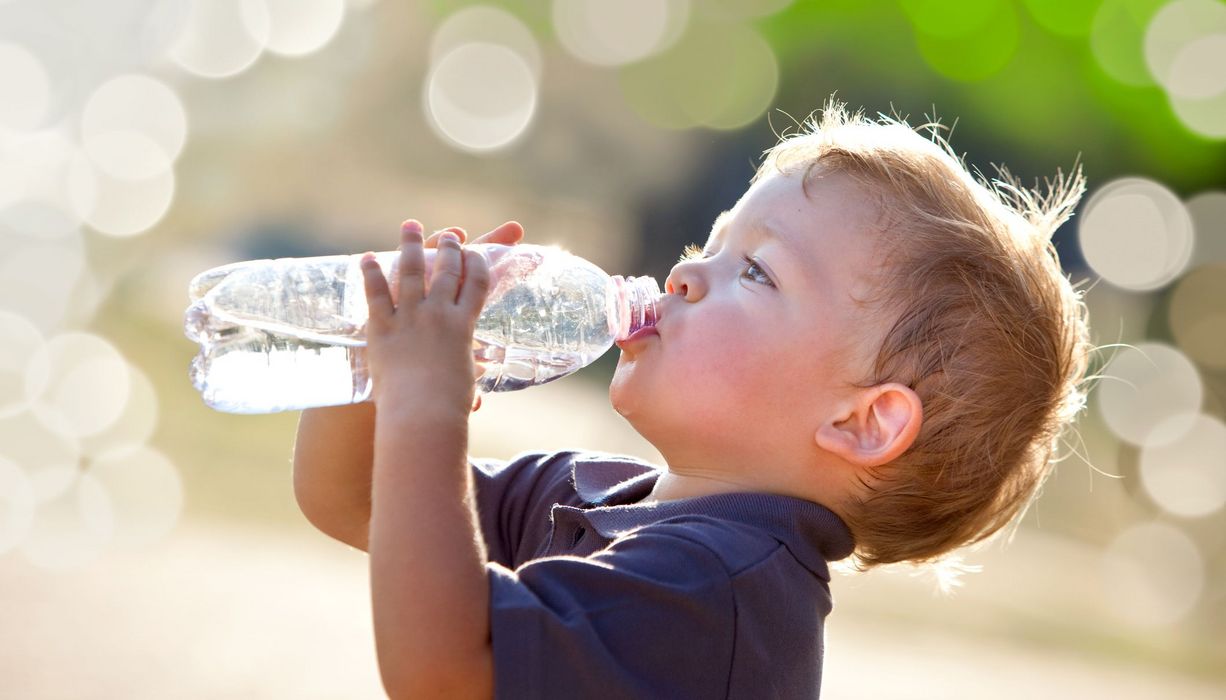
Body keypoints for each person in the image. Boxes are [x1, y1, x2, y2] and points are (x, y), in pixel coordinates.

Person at [291, 100, 1093, 699]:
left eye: (755, 271)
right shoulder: (594, 493)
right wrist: (373, 361)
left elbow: (442, 671)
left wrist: (425, 406)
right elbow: (355, 497)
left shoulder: (720, 588)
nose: (682, 275)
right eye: (707, 244)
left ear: (860, 420)